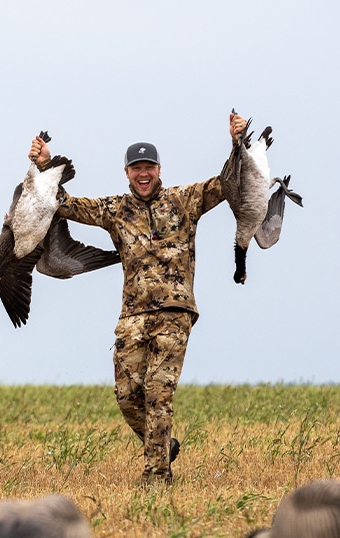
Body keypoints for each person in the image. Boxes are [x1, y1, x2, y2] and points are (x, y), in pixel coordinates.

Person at [28, 112, 247, 484]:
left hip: (174, 314)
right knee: (128, 397)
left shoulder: (184, 200)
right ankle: (162, 445)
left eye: (149, 167)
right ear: (126, 173)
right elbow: (64, 204)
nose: (143, 174)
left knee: (158, 395)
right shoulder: (115, 210)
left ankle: (156, 479)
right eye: (136, 169)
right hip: (131, 317)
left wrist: (236, 142)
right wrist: (46, 164)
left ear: (159, 169)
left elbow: (226, 184)